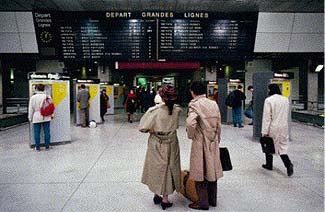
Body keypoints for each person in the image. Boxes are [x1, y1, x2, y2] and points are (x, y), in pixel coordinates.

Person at [139, 85, 182, 210]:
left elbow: (142, 127)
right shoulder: (177, 110)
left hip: (157, 142)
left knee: (156, 168)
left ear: (162, 96)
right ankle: (165, 199)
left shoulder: (154, 111)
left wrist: (151, 130)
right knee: (170, 168)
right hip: (172, 142)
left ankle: (156, 194)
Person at [185, 81, 223, 210]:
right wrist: (217, 138)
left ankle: (202, 203)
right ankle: (213, 200)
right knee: (212, 171)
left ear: (192, 92)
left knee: (200, 172)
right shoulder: (213, 103)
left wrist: (191, 135)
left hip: (200, 141)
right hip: (213, 140)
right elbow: (219, 123)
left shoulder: (194, 104)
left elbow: (190, 123)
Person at [261, 83, 294, 176]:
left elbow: (267, 117)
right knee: (282, 148)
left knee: (269, 144)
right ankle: (288, 164)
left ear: (270, 90)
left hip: (273, 126)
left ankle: (269, 164)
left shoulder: (269, 100)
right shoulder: (285, 99)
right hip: (284, 126)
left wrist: (264, 131)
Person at [28, 84, 52, 151]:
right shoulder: (48, 97)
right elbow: (51, 107)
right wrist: (52, 115)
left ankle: (37, 147)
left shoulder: (33, 97)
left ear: (36, 89)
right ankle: (47, 147)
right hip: (46, 116)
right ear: (44, 89)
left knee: (36, 132)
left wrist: (30, 118)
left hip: (36, 116)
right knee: (47, 132)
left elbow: (31, 109)